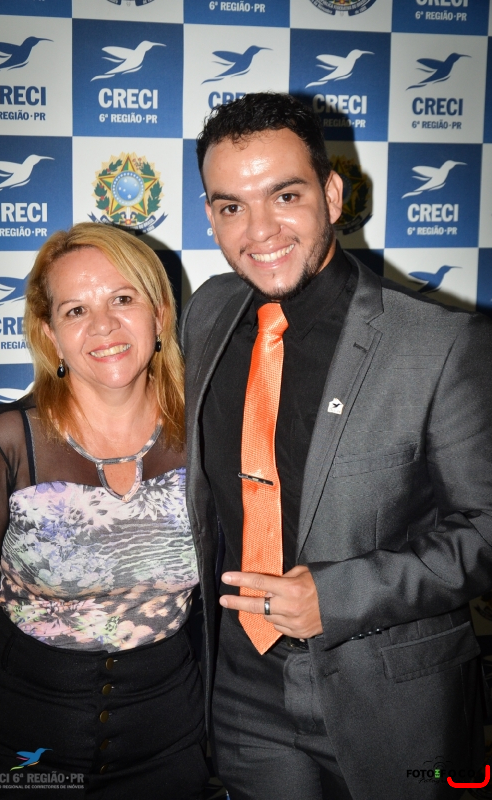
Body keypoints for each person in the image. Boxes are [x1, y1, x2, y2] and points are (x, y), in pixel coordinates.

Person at [178, 93, 492, 800]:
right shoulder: (209, 313)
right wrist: (13, 422)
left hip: (393, 702)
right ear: (210, 216)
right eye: (231, 207)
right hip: (242, 691)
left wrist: (338, 597)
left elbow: (486, 527)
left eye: (284, 195)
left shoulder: (441, 345)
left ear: (332, 194)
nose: (260, 231)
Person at [0, 223, 209, 800]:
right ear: (50, 335)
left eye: (122, 299)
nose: (103, 325)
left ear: (160, 315)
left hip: (171, 748)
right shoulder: (4, 443)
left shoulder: (207, 432)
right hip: (22, 753)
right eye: (76, 310)